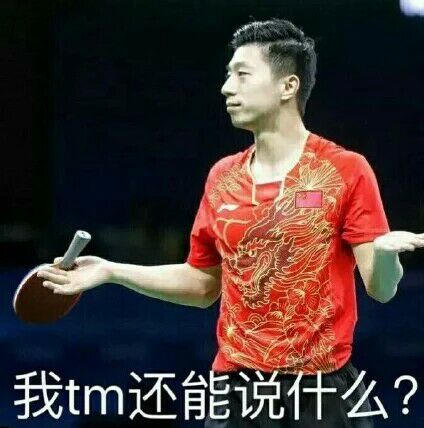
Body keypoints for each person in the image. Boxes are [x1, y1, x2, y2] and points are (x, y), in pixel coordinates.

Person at [37, 18, 424, 427]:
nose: (226, 87)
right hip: (235, 393)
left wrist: (385, 255)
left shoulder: (345, 170)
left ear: (288, 86)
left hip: (322, 393)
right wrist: (111, 271)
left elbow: (381, 289)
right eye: (228, 75)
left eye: (242, 75)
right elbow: (203, 285)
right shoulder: (222, 177)